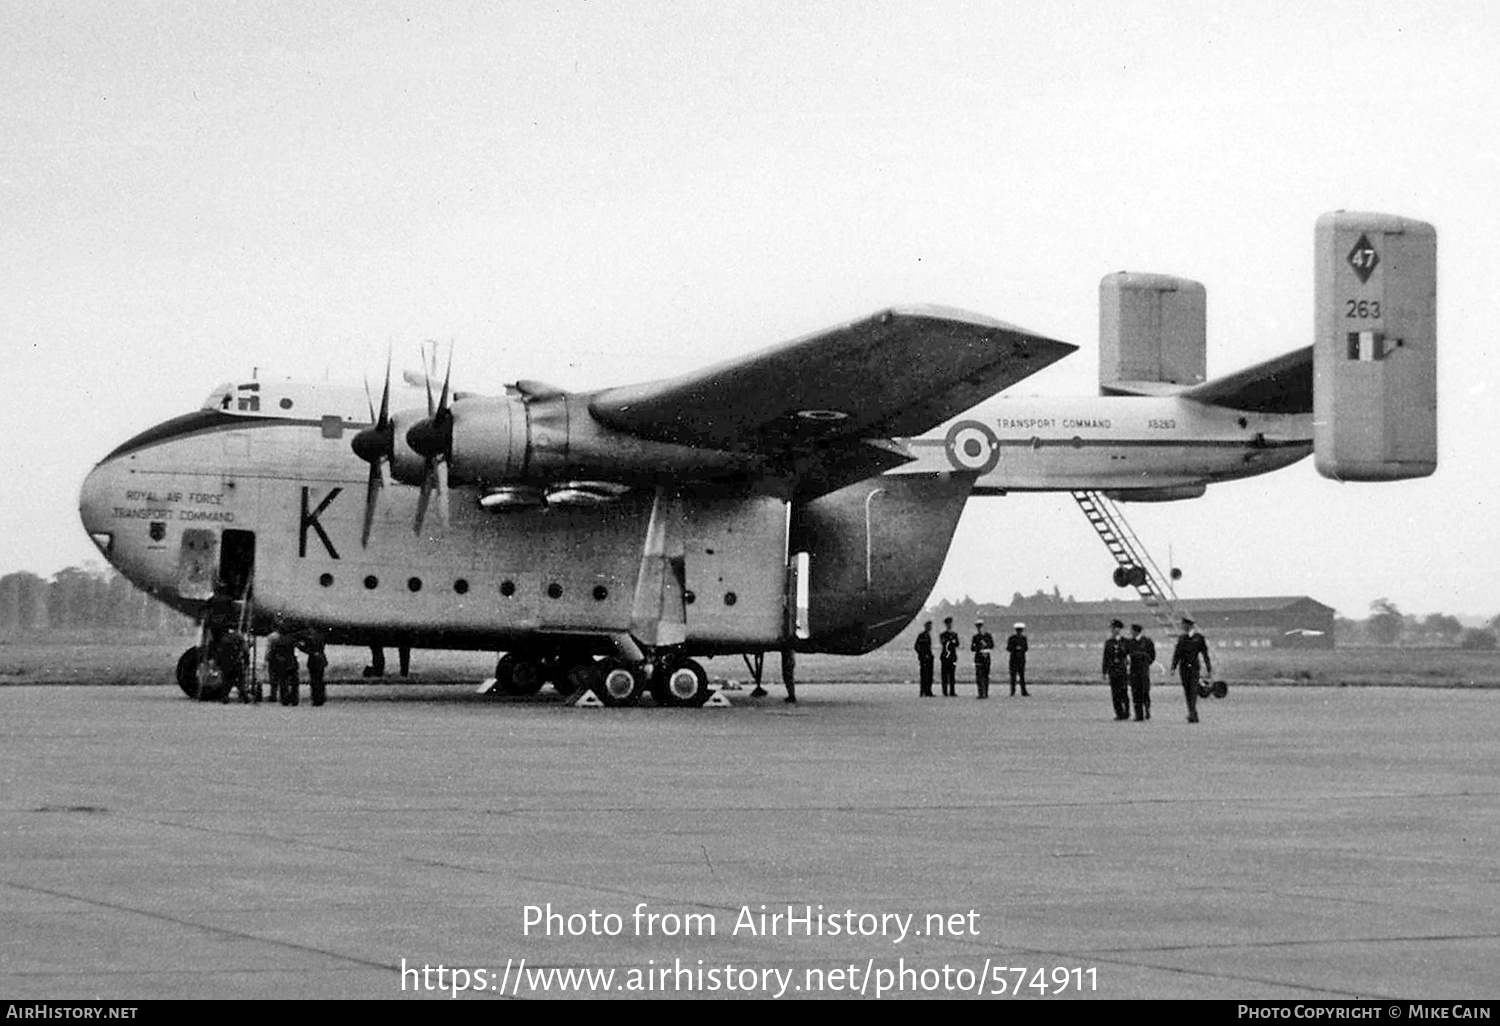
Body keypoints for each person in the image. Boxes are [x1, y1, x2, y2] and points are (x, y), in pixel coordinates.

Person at [1170, 616, 1212, 723]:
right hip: (1183, 668)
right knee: (1187, 691)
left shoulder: (1199, 638)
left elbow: (1205, 654)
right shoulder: (1182, 638)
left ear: (1188, 625)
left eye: (1183, 624)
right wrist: (1173, 667)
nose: (1182, 626)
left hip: (1194, 667)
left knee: (1193, 690)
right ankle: (1192, 713)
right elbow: (1177, 654)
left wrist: (1208, 668)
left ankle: (1192, 713)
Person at [213, 627, 252, 704]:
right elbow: (245, 650)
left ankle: (225, 697)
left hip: (226, 664)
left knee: (227, 681)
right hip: (237, 663)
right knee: (241, 680)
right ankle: (244, 696)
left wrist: (218, 663)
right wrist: (247, 661)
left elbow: (219, 653)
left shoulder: (223, 639)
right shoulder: (239, 637)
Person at [1102, 619, 1131, 720]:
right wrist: (1104, 671)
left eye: (1116, 628)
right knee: (1115, 693)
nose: (1114, 630)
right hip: (1112, 670)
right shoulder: (1109, 642)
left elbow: (1129, 655)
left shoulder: (1125, 642)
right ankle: (1119, 713)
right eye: (1113, 629)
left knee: (1124, 691)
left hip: (1122, 669)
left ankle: (1126, 712)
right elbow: (1105, 657)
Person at [1126, 623, 1155, 721]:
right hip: (1134, 670)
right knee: (1135, 692)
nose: (1131, 633)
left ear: (1136, 631)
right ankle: (1139, 715)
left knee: (1145, 691)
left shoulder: (1146, 641)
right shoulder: (1129, 642)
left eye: (1132, 631)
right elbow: (1126, 654)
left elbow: (1152, 655)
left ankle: (1147, 709)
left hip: (1143, 670)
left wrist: (1146, 663)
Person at [267, 630, 301, 706]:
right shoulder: (292, 640)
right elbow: (297, 650)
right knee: (294, 683)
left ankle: (285, 699)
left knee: (283, 682)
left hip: (281, 663)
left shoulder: (276, 641)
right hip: (291, 662)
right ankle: (294, 699)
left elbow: (272, 653)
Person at [300, 631, 329, 707]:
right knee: (320, 679)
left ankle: (316, 698)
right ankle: (321, 697)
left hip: (313, 661)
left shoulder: (309, 639)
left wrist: (301, 647)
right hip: (321, 659)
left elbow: (305, 648)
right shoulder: (321, 637)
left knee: (314, 681)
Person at [971, 620, 995, 699]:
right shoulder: (975, 637)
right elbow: (972, 648)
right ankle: (980, 692)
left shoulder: (988, 636)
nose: (979, 628)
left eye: (980, 626)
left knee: (986, 675)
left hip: (986, 657)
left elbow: (992, 645)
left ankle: (986, 692)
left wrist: (986, 645)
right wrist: (978, 648)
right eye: (978, 627)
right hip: (979, 657)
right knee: (979, 676)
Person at [938, 617, 960, 697]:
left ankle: (952, 691)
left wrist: (950, 642)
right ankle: (945, 691)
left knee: (952, 675)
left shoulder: (954, 634)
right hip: (945, 656)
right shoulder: (943, 635)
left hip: (952, 656)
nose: (949, 625)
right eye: (947, 624)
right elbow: (944, 643)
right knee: (944, 675)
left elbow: (957, 644)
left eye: (950, 624)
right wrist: (951, 641)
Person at [1007, 623, 1029, 696]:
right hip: (1014, 659)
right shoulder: (1012, 638)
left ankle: (1023, 691)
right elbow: (1008, 648)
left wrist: (1021, 649)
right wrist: (1015, 649)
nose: (1019, 631)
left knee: (1022, 676)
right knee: (1013, 676)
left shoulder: (1023, 638)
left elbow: (1026, 648)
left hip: (1021, 659)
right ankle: (1012, 691)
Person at [914, 621, 935, 697]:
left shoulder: (928, 635)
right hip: (924, 658)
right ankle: (923, 691)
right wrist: (922, 655)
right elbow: (916, 646)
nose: (930, 628)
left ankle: (928, 691)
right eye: (929, 626)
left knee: (929, 675)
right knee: (924, 675)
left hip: (929, 658)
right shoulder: (922, 635)